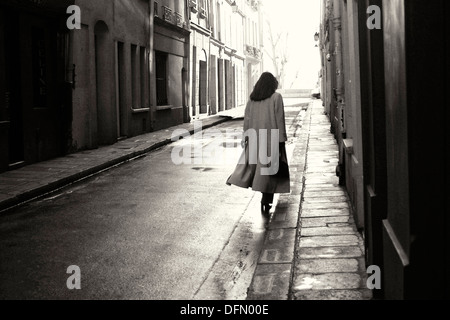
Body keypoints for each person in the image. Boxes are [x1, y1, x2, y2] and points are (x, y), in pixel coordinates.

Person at [226, 72, 290, 216]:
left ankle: (263, 197)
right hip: (271, 140)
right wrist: (281, 140)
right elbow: (280, 120)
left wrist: (246, 138)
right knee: (270, 172)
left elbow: (246, 121)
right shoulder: (276, 97)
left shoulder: (252, 100)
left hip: (255, 140)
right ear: (272, 84)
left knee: (259, 172)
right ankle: (267, 199)